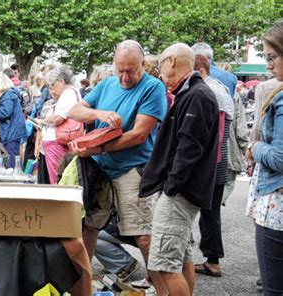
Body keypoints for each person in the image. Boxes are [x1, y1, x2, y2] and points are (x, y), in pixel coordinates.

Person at [68, 40, 168, 295]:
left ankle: (159, 288)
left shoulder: (153, 87)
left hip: (131, 171)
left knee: (144, 236)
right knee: (89, 227)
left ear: (143, 65)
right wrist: (98, 114)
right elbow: (75, 110)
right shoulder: (107, 84)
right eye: (120, 69)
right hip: (100, 172)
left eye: (131, 70)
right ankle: (82, 287)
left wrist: (98, 148)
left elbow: (138, 135)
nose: (124, 76)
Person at [139, 43, 220, 296]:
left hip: (180, 193)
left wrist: (171, 186)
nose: (159, 69)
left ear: (172, 61)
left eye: (161, 62)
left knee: (164, 266)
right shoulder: (193, 93)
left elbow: (189, 149)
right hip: (182, 191)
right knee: (179, 259)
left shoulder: (196, 95)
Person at [245, 20, 283, 296]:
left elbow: (280, 158)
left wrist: (255, 148)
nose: (268, 65)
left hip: (277, 207)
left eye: (272, 57)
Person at [192, 54, 234, 277]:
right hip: (217, 162)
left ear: (199, 70)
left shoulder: (209, 91)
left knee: (208, 215)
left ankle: (212, 260)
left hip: (211, 164)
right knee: (210, 214)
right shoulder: (220, 88)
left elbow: (215, 135)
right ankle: (211, 259)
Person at [36, 64, 81, 184]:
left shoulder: (68, 93)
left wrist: (42, 121)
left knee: (57, 178)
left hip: (56, 141)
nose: (52, 90)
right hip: (58, 140)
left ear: (61, 81)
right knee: (59, 176)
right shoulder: (73, 92)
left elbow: (58, 118)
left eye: (53, 85)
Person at [0, 73, 27, 168]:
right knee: (15, 158)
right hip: (14, 131)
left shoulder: (7, 95)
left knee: (12, 161)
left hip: (11, 132)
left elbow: (5, 112)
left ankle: (14, 181)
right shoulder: (11, 94)